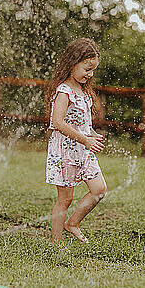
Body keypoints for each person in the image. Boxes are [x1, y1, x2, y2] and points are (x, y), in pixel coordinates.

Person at [46, 38, 107, 250]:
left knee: (99, 190)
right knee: (65, 199)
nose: (90, 74)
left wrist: (92, 135)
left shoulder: (84, 92)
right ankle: (57, 243)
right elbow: (58, 122)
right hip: (66, 150)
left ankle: (72, 223)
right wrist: (85, 139)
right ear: (72, 62)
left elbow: (82, 123)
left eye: (93, 70)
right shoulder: (64, 91)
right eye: (87, 68)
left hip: (83, 148)